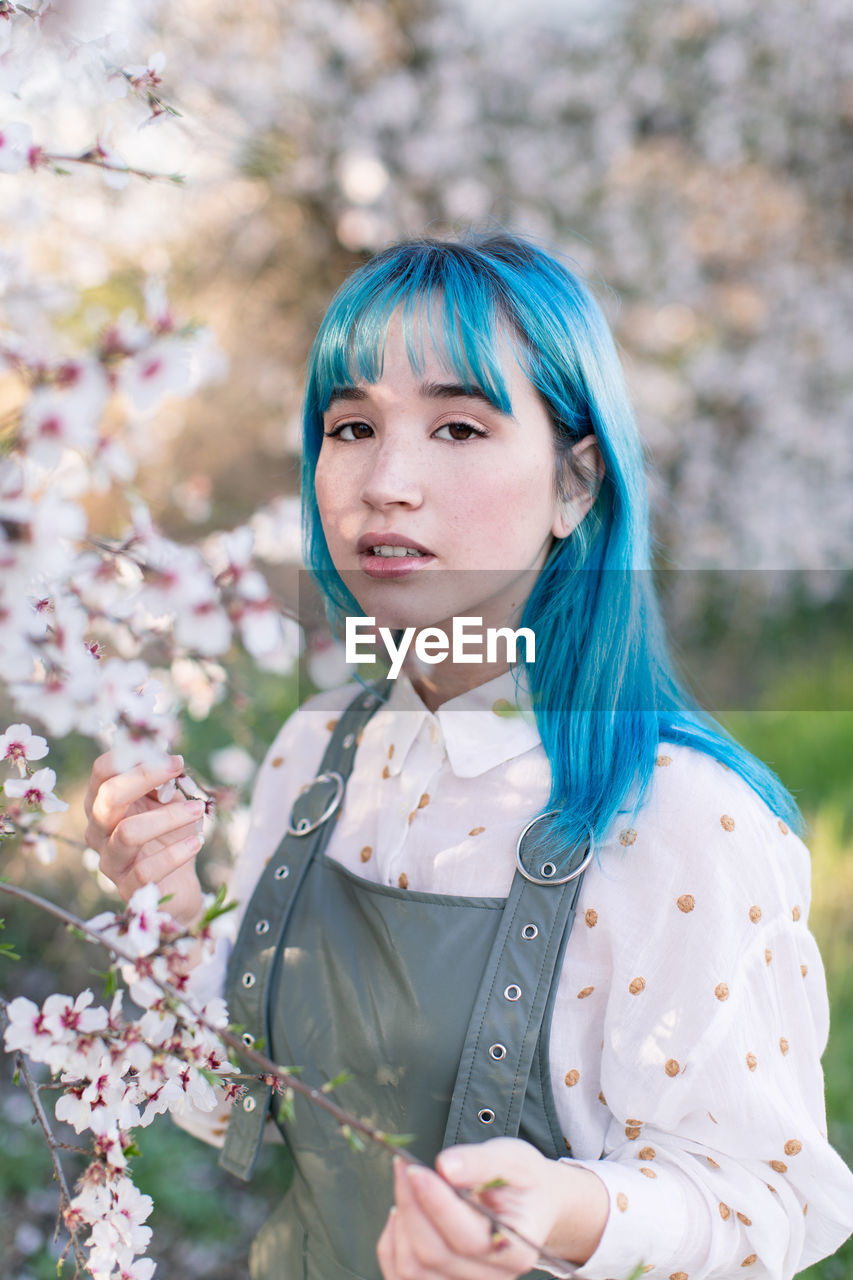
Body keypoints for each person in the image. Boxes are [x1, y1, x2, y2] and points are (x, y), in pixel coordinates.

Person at [84, 232, 853, 1280]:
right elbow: (240, 1095)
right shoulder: (317, 754)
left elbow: (765, 1197)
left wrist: (571, 1208)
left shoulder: (679, 816)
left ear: (576, 485)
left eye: (457, 424)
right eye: (351, 425)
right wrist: (169, 902)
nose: (386, 481)